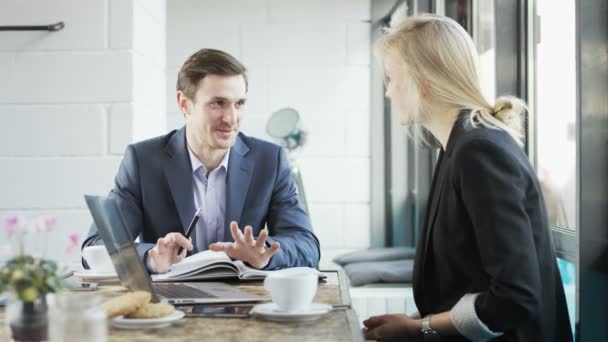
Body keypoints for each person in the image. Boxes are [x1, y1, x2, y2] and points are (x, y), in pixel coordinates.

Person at [363, 15, 572, 341]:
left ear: (423, 81)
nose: (388, 93)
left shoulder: (479, 152)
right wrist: (415, 320)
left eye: (391, 78)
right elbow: (469, 280)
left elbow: (514, 297)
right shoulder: (457, 147)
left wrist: (419, 328)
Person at [82, 49, 320, 273]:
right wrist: (150, 257)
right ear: (184, 103)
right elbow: (95, 248)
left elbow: (307, 245)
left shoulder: (270, 160)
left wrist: (265, 254)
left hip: (246, 306)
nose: (231, 118)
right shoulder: (143, 161)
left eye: (239, 104)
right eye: (218, 103)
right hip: (171, 308)